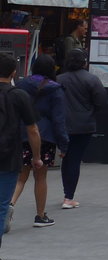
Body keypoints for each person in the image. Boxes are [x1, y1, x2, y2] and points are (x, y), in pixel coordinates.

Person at [11, 54, 69, 228]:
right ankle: (41, 215)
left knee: (21, 176)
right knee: (41, 176)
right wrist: (63, 144)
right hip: (45, 137)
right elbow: (59, 120)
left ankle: (9, 205)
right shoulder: (56, 89)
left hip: (22, 134)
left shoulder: (21, 85)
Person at [0, 53, 43, 260]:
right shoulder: (19, 96)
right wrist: (36, 157)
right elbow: (32, 130)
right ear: (14, 73)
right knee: (1, 206)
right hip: (7, 157)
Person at [56, 48, 108, 209]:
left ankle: (67, 193)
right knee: (75, 159)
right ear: (84, 62)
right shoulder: (91, 79)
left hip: (63, 124)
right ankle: (68, 197)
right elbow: (102, 101)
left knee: (67, 158)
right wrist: (91, 111)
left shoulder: (59, 79)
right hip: (84, 124)